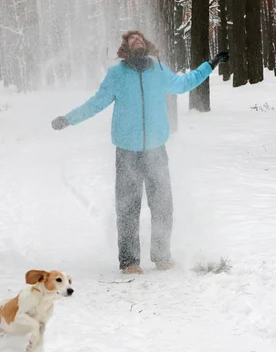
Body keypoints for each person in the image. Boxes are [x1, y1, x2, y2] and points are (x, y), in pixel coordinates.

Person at [51, 30, 229, 275]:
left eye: (140, 39)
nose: (137, 41)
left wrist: (209, 65)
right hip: (127, 153)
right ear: (125, 47)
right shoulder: (116, 75)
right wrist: (68, 119)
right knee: (127, 208)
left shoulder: (158, 70)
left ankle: (162, 255)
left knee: (163, 205)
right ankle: (129, 261)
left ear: (146, 45)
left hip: (156, 150)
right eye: (131, 40)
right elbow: (95, 103)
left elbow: (183, 84)